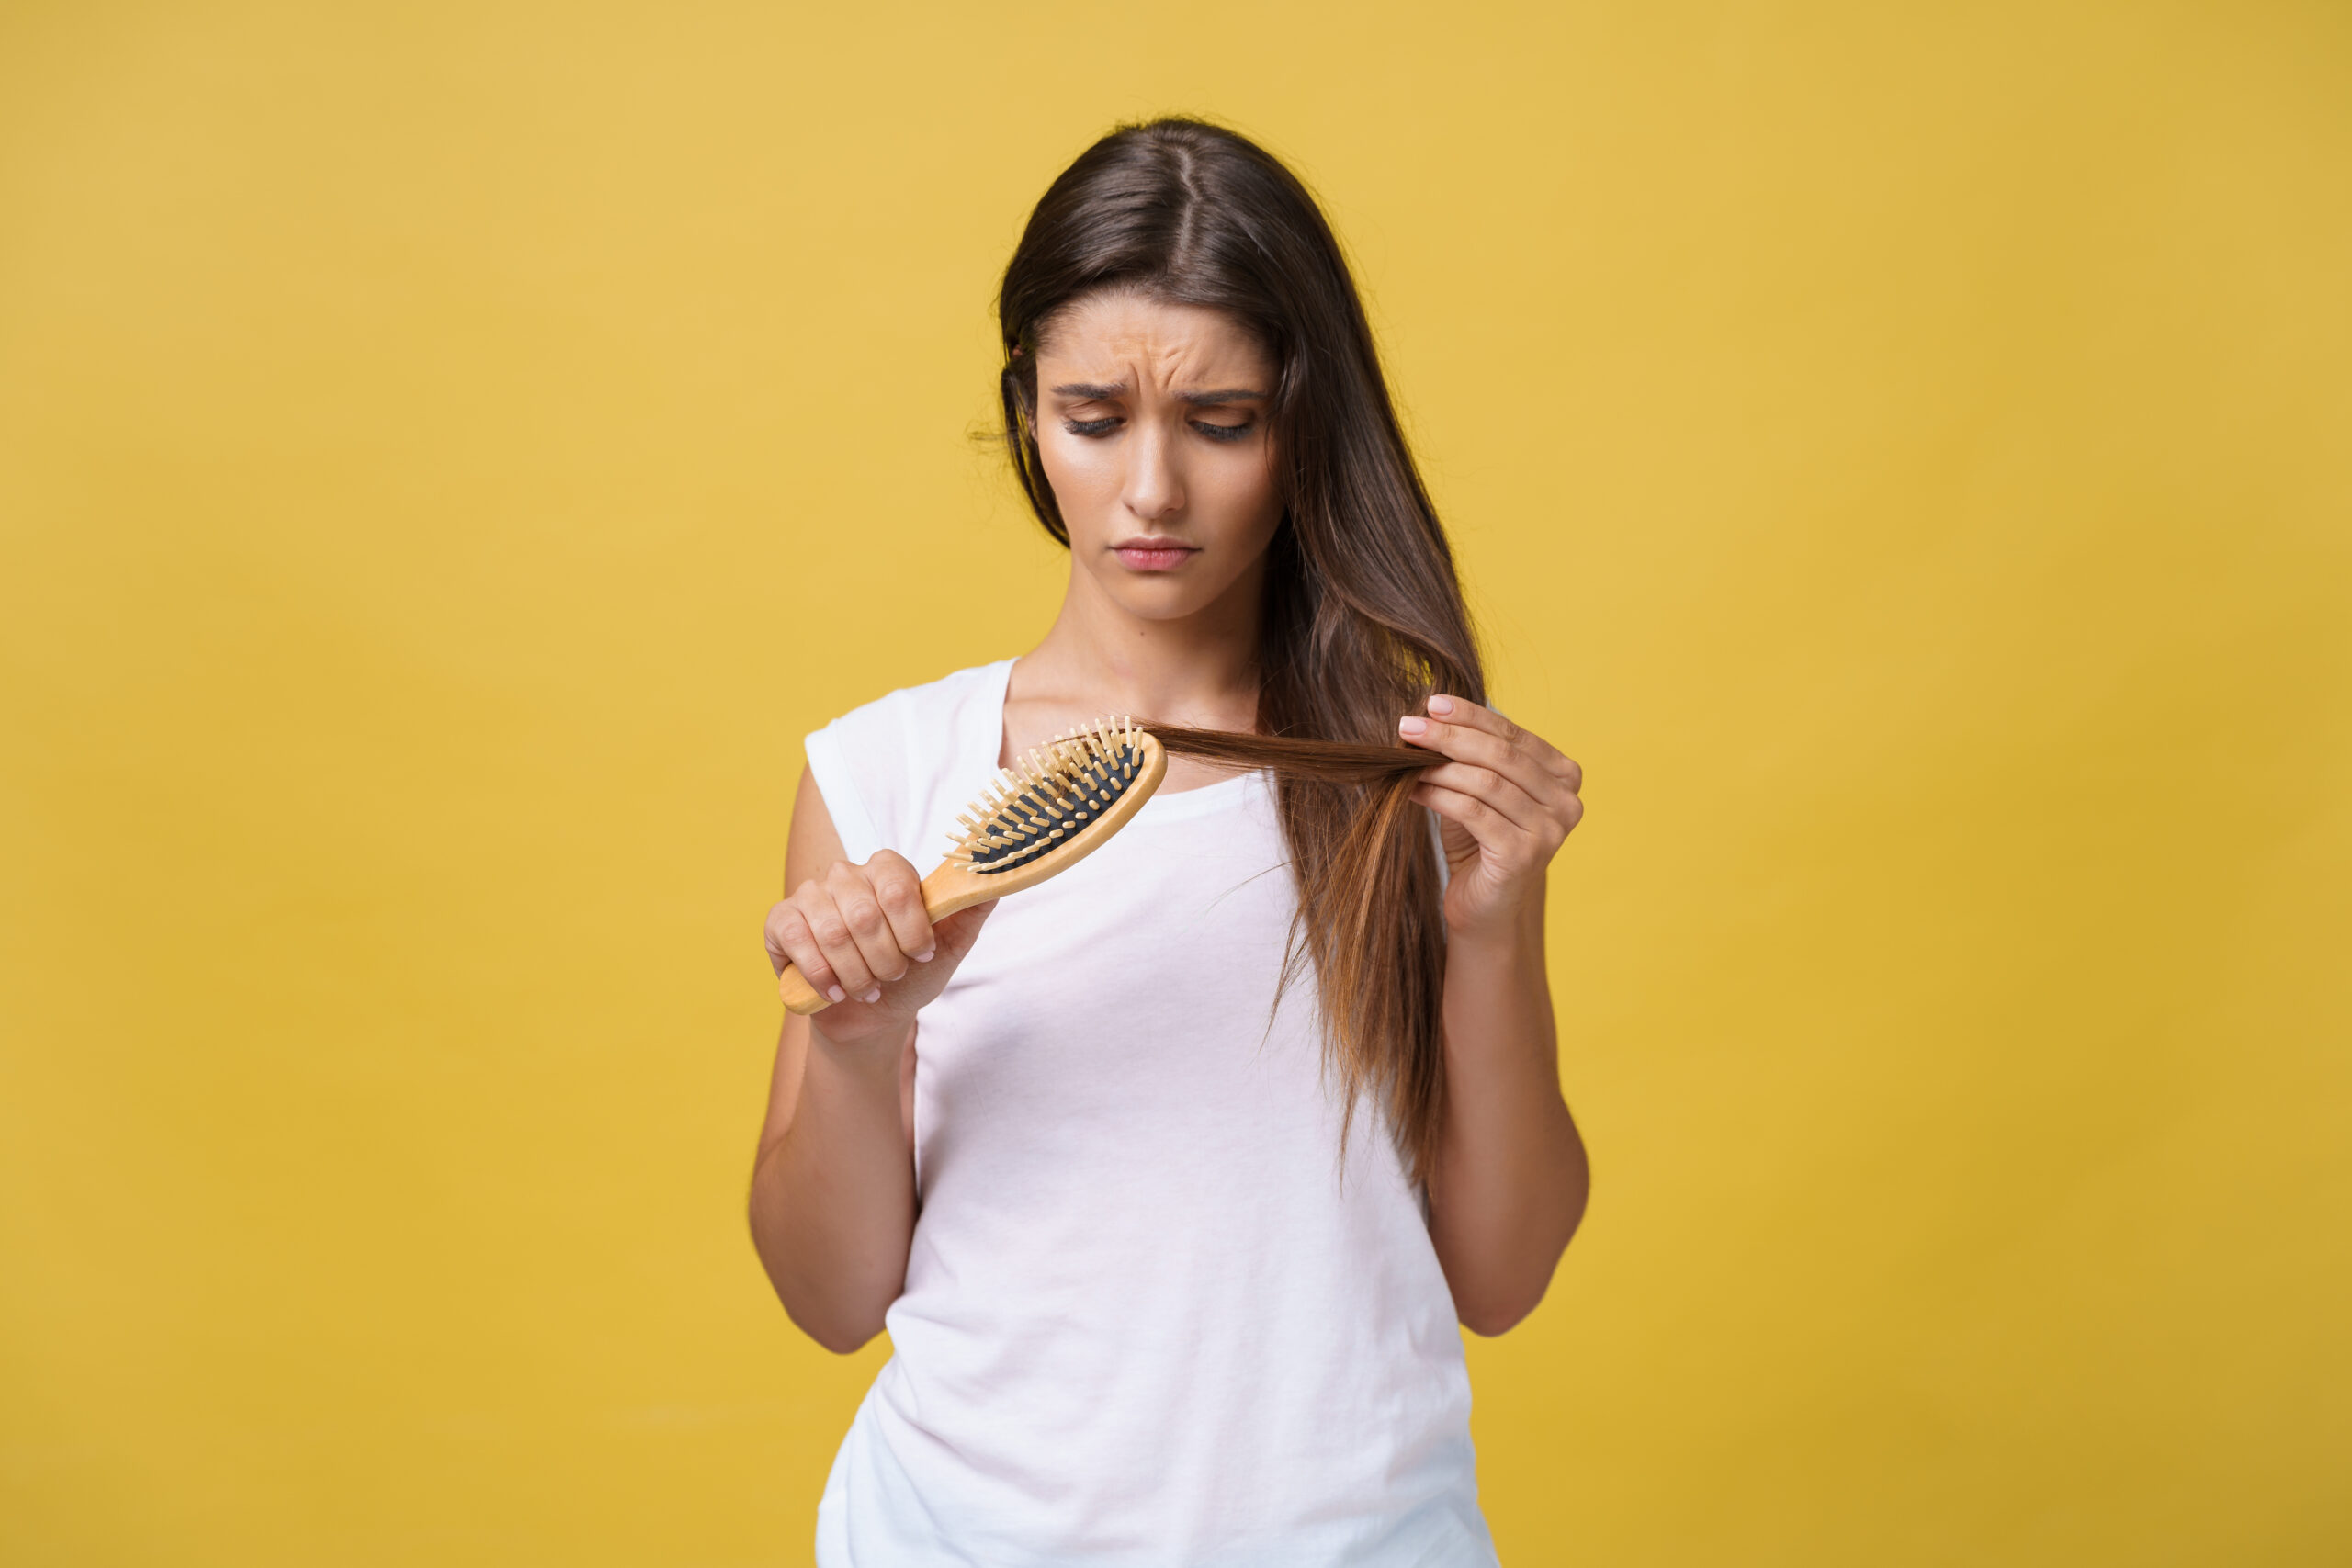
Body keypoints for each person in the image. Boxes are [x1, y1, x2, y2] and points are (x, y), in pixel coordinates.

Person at [748, 117, 1589, 1566]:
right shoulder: (888, 772)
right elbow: (831, 1304)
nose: (1152, 491)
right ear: (1025, 412)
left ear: (1301, 423)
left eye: (1221, 422)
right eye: (1094, 417)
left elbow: (1503, 1276)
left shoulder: (1406, 776)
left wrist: (1493, 925)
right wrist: (856, 1042)